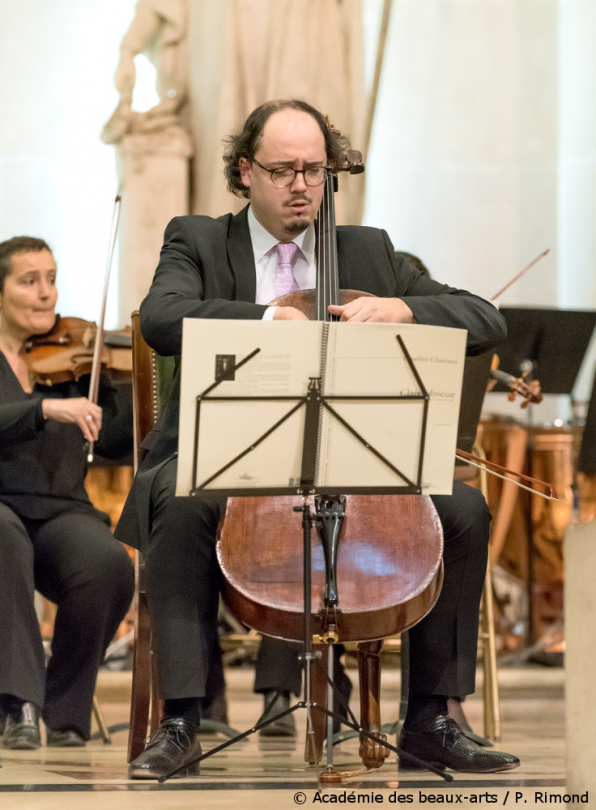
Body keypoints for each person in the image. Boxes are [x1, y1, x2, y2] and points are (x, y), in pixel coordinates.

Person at [118, 98, 520, 778]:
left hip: (350, 461)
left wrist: (404, 308)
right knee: (180, 503)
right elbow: (162, 317)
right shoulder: (198, 239)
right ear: (245, 171)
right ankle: (181, 718)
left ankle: (431, 717)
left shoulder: (367, 248)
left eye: (315, 169)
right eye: (284, 170)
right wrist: (272, 317)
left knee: (462, 509)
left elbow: (485, 320)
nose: (303, 185)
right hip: (226, 457)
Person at [0, 237, 135, 749]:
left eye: (51, 279)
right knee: (4, 539)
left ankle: (64, 711)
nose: (46, 294)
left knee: (106, 564)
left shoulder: (74, 359)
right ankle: (17, 704)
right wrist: (42, 409)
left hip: (60, 508)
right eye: (29, 280)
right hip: (2, 505)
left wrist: (127, 386)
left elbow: (115, 446)